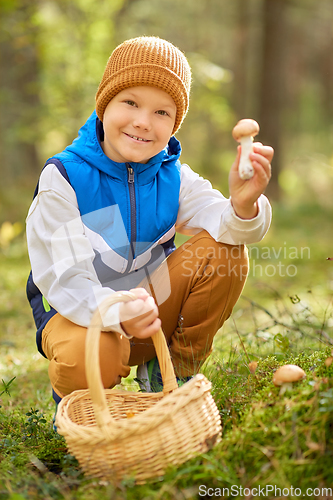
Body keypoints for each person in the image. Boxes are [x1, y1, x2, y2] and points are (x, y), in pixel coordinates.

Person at [26, 36, 273, 403]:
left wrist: (243, 204)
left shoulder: (174, 178)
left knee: (226, 250)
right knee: (93, 352)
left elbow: (231, 226)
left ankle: (172, 373)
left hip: (148, 317)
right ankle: (78, 406)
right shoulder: (64, 178)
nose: (143, 122)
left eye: (162, 112)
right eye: (130, 102)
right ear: (104, 104)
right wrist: (116, 311)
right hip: (81, 318)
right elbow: (66, 279)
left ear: (175, 124)